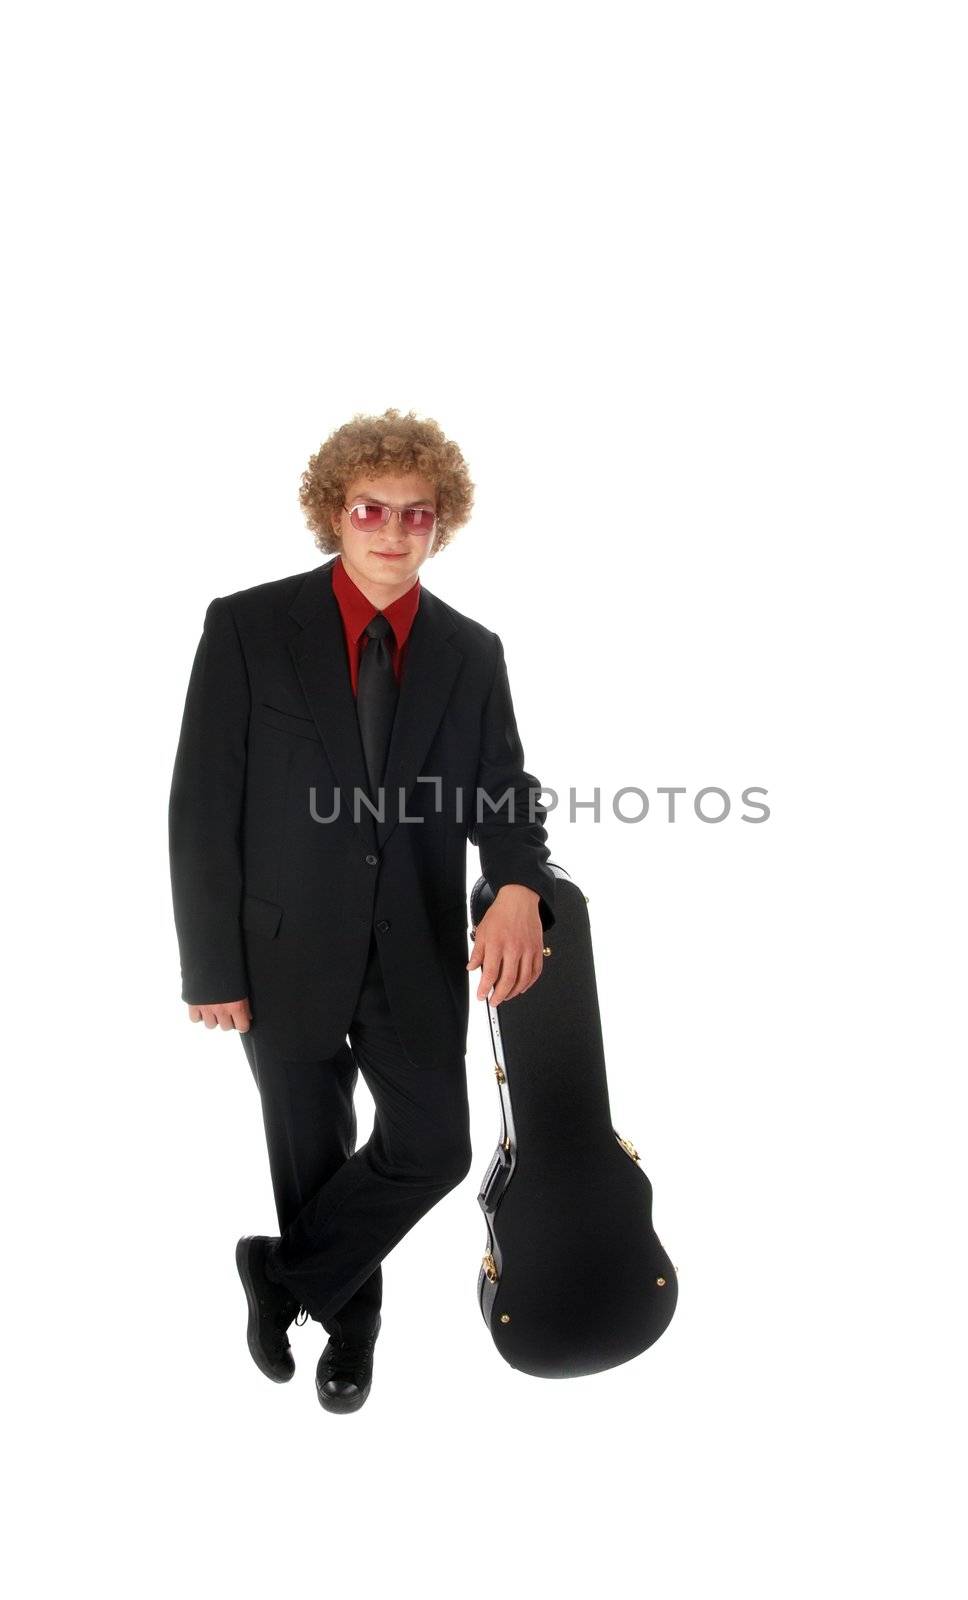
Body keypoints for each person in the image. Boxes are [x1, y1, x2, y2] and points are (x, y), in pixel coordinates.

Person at [168, 407, 556, 1413]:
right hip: (280, 943)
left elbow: (503, 792)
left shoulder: (470, 653)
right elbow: (204, 802)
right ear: (333, 513)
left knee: (432, 1147)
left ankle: (286, 1275)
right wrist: (213, 964)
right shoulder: (249, 626)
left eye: (416, 514)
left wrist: (519, 882)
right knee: (311, 1149)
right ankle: (351, 1332)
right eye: (371, 509)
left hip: (415, 944)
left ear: (442, 524)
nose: (393, 531)